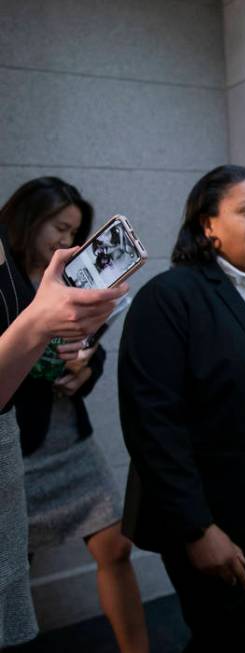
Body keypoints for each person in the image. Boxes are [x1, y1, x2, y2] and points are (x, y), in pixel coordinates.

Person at [118, 165, 245, 652]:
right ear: (207, 226)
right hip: (215, 519)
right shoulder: (170, 298)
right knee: (227, 639)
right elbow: (153, 423)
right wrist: (198, 529)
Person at [0, 178, 148, 652]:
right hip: (15, 439)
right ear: (29, 219)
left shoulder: (69, 280)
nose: (66, 242)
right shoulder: (9, 282)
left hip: (67, 433)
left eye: (75, 233)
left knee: (115, 544)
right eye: (59, 228)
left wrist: (85, 368)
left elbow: (91, 347)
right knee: (14, 568)